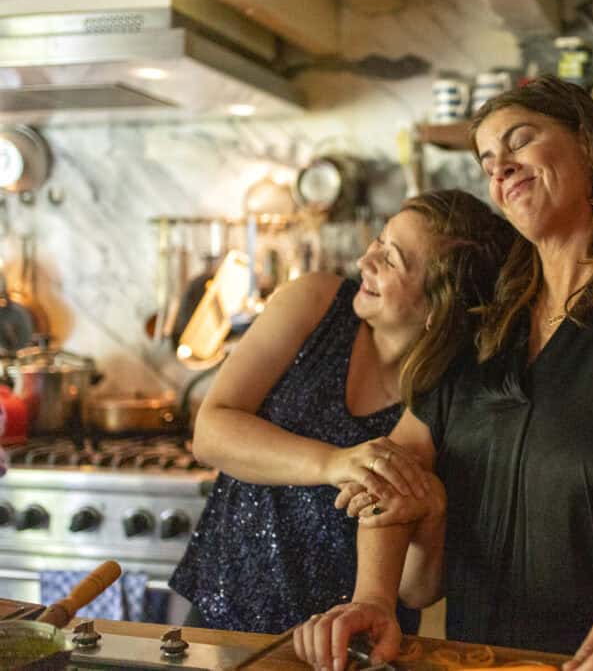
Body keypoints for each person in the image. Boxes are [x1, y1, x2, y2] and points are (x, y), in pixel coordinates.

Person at [295, 76, 593, 670]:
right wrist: (373, 598)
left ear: (586, 145)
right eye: (487, 162)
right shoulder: (485, 317)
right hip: (481, 660)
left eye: (520, 141)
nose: (500, 168)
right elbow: (395, 467)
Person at [168, 189, 515, 634]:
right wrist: (335, 463)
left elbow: (415, 591)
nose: (365, 261)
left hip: (343, 642)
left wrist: (433, 519)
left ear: (437, 307)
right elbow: (211, 432)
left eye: (392, 260)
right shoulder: (315, 302)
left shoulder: (446, 396)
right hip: (222, 608)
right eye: (380, 242)